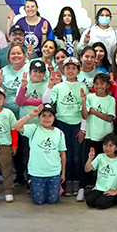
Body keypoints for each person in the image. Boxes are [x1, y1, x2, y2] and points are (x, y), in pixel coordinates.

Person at [44, 57, 85, 197]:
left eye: (74, 68)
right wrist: (50, 86)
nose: (71, 71)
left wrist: (83, 129)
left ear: (78, 70)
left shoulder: (82, 86)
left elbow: (86, 109)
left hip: (77, 124)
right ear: (63, 70)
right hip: (62, 123)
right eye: (68, 68)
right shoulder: (58, 87)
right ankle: (66, 181)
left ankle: (77, 181)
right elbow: (47, 102)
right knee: (65, 154)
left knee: (77, 155)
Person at [13, 103, 66, 205]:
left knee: (53, 200)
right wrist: (30, 115)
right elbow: (16, 126)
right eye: (43, 115)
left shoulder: (59, 133)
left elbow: (62, 154)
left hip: (53, 172)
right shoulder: (33, 129)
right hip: (37, 172)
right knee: (39, 201)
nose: (47, 118)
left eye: (50, 115)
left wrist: (62, 173)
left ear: (54, 118)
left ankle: (54, 186)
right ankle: (31, 182)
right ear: (39, 117)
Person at [80, 73, 116, 201]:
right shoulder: (90, 97)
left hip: (105, 137)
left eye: (102, 83)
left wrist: (94, 111)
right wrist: (84, 101)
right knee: (89, 161)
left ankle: (102, 187)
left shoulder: (111, 100)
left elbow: (109, 117)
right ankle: (84, 187)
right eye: (96, 83)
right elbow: (85, 115)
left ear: (107, 85)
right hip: (91, 136)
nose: (99, 86)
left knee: (104, 163)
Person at [84, 133, 117, 209]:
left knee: (100, 204)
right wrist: (90, 158)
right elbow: (87, 169)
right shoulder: (100, 156)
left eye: (111, 145)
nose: (107, 148)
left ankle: (116, 198)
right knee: (90, 202)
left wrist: (116, 191)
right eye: (105, 145)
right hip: (99, 188)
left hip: (111, 189)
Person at [0, 44, 29, 116]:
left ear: (24, 55)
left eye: (19, 53)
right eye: (13, 54)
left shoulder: (30, 69)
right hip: (6, 111)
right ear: (9, 56)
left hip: (25, 111)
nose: (16, 56)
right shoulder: (3, 71)